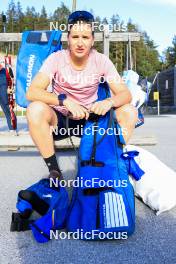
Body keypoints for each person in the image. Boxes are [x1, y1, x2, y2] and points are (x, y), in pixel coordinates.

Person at [26, 10, 138, 179]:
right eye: (75, 37)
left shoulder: (101, 60)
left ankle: (108, 165)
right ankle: (54, 171)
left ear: (92, 40)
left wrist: (108, 101)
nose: (80, 43)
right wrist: (64, 101)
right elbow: (32, 92)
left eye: (85, 37)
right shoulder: (56, 59)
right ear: (68, 39)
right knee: (35, 109)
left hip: (90, 120)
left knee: (129, 111)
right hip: (61, 119)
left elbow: (125, 94)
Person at [0, 59, 17, 135]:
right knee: (5, 108)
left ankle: (12, 127)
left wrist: (11, 88)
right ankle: (12, 128)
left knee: (7, 107)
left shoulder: (5, 69)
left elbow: (12, 78)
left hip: (2, 81)